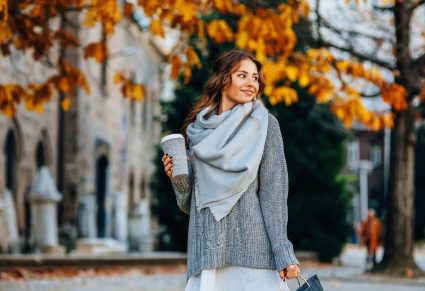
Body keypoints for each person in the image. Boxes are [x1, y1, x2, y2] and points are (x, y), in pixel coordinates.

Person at [161, 49, 300, 290]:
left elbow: (273, 193)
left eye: (255, 77)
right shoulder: (197, 132)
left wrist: (283, 251)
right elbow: (192, 205)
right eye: (242, 76)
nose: (251, 83)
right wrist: (178, 178)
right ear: (223, 79)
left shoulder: (266, 126)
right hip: (206, 252)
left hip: (252, 253)